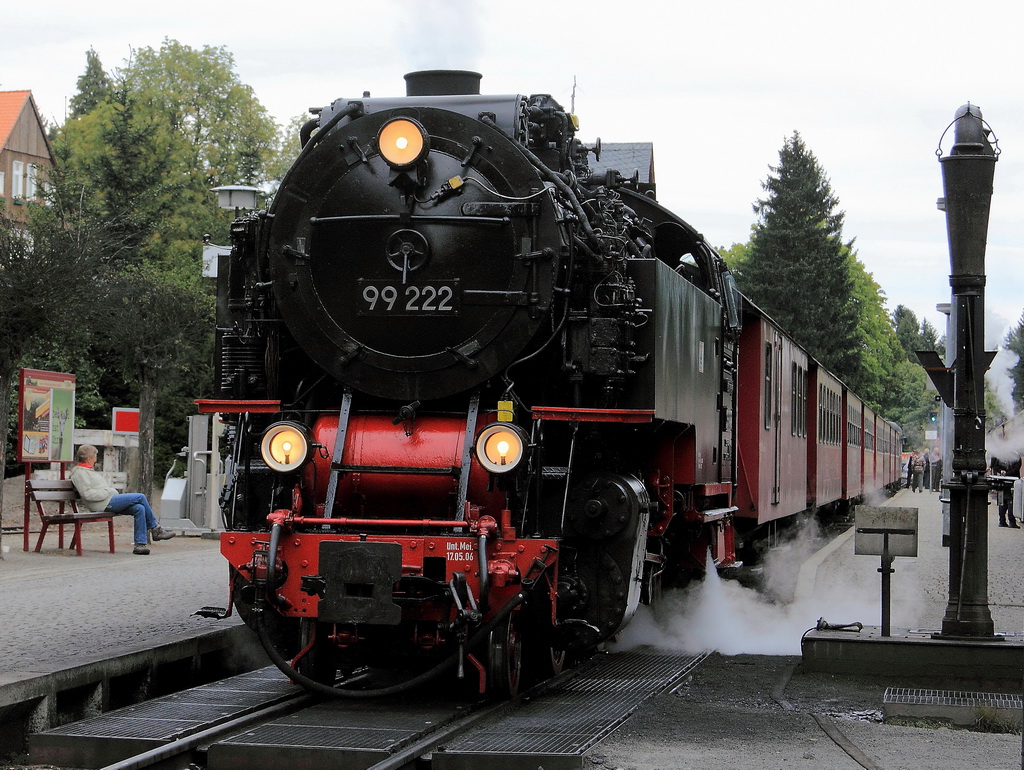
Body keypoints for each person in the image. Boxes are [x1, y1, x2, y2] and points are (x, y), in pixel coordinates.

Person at [69, 444, 176, 555]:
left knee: (139, 508)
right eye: (95, 455)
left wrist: (108, 492)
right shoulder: (80, 473)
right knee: (140, 497)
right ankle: (155, 529)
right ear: (89, 457)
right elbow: (87, 494)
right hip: (102, 504)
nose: (96, 459)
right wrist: (108, 492)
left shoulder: (87, 470)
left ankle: (140, 545)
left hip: (107, 501)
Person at [991, 453, 1021, 528]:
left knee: (1002, 501)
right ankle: (1012, 522)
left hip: (1002, 481)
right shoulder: (1016, 455)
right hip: (1013, 481)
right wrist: (1007, 473)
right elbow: (1016, 468)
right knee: (1011, 501)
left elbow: (994, 465)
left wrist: (1001, 471)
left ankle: (1002, 521)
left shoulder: (1000, 454)